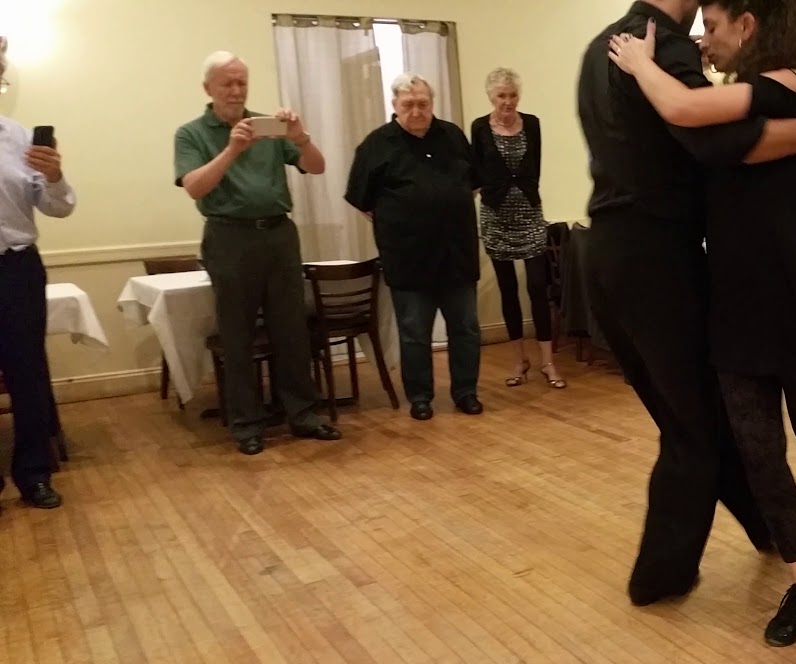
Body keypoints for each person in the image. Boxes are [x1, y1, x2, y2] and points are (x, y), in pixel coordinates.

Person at [609, 0, 796, 646]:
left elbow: (684, 108)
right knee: (759, 452)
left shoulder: (786, 85)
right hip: (736, 305)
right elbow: (698, 126)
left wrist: (642, 61)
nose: (702, 39)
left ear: (748, 27)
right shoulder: (745, 108)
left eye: (713, 27)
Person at [174, 51, 341, 455]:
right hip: (229, 237)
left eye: (241, 83)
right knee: (238, 335)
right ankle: (247, 423)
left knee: (291, 329)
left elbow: (316, 167)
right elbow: (195, 187)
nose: (236, 91)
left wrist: (298, 135)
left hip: (278, 235)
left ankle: (303, 414)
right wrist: (231, 149)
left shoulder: (269, 127)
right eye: (227, 83)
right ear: (208, 89)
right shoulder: (191, 133)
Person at [346, 73, 484, 421]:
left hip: (456, 253)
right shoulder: (376, 145)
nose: (417, 111)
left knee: (465, 329)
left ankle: (466, 392)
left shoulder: (452, 135)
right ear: (394, 106)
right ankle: (420, 396)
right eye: (408, 105)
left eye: (423, 103)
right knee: (414, 334)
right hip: (409, 257)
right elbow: (362, 200)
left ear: (432, 104)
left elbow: (472, 184)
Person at [0, 35, 68, 510]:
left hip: (18, 268)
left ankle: (33, 474)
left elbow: (58, 206)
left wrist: (57, 175)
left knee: (27, 374)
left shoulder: (20, 137)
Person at [471, 68, 564, 390]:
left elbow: (532, 169)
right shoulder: (480, 128)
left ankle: (548, 362)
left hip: (529, 214)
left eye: (512, 95)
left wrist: (523, 194)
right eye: (501, 96)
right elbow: (478, 170)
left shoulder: (533, 124)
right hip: (496, 217)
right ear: (491, 97)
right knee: (508, 290)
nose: (507, 102)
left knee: (538, 286)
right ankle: (518, 360)